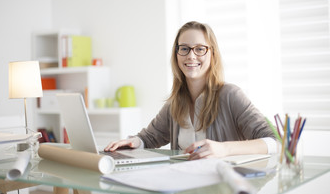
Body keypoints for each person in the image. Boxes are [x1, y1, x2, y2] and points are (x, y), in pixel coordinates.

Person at [105, 21, 277, 161]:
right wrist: (133, 142)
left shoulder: (231, 95)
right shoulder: (175, 103)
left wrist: (224, 149)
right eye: (184, 48)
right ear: (177, 54)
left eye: (200, 49)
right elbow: (149, 138)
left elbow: (276, 142)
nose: (191, 56)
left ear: (212, 55)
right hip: (184, 186)